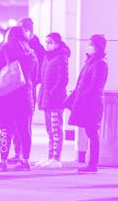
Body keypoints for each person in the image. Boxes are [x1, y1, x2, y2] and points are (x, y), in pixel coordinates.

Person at [0, 26, 38, 171]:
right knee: (24, 130)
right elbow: (34, 77)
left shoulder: (3, 51)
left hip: (5, 98)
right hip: (24, 97)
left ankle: (3, 162)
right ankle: (25, 161)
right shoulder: (31, 53)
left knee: (5, 130)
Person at [65, 34, 108, 173]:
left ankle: (93, 165)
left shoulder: (100, 63)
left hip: (92, 103)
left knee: (92, 133)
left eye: (91, 44)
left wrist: (81, 96)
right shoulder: (91, 61)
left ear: (98, 47)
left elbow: (95, 85)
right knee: (90, 132)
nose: (88, 46)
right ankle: (91, 164)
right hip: (87, 102)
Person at [7, 17, 45, 165]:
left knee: (24, 123)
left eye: (23, 29)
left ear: (29, 30)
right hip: (17, 89)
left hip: (28, 89)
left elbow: (39, 71)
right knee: (15, 123)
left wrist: (30, 83)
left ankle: (23, 154)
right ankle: (17, 152)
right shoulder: (18, 44)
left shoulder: (37, 48)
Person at [36, 32, 70, 168]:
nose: (47, 44)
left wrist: (52, 92)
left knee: (56, 129)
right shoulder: (47, 57)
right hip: (46, 98)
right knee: (50, 130)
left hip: (55, 99)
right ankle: (50, 156)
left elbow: (63, 79)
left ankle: (56, 158)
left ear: (57, 43)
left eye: (50, 42)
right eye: (46, 41)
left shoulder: (61, 57)